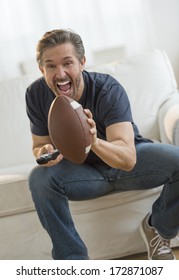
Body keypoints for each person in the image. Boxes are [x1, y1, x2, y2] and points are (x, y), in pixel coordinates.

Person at [25, 29, 179, 260]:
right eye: (51, 66)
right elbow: (39, 144)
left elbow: (128, 159)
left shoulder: (107, 89)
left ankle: (158, 229)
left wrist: (93, 140)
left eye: (68, 63)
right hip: (83, 174)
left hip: (128, 163)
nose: (61, 73)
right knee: (39, 178)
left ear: (82, 62)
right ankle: (73, 263)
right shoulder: (36, 94)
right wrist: (45, 152)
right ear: (41, 69)